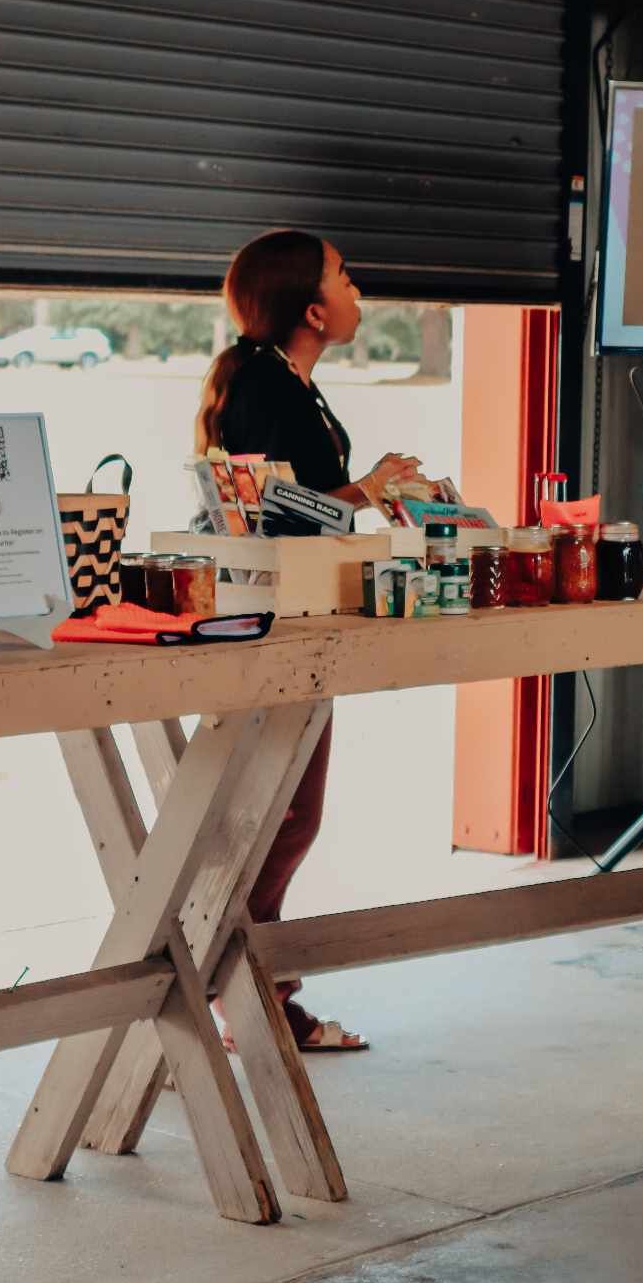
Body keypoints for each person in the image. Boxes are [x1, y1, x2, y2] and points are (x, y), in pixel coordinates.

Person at [195, 228, 421, 1053]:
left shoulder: (284, 382)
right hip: (267, 624)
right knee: (280, 817)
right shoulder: (263, 386)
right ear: (315, 310)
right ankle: (250, 996)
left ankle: (252, 989)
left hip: (293, 616)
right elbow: (266, 512)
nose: (359, 290)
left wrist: (369, 495)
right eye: (346, 278)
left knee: (282, 816)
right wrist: (363, 490)